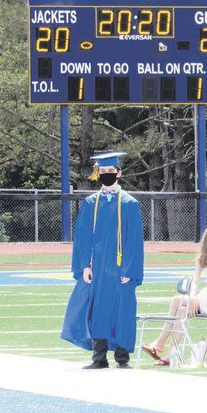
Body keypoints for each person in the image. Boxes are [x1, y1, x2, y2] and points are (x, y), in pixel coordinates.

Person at [61, 152, 144, 369]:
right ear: (99, 174)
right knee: (97, 310)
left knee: (122, 311)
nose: (107, 175)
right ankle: (99, 358)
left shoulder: (129, 204)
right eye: (103, 172)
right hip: (98, 267)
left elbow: (134, 241)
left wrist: (130, 269)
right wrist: (84, 265)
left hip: (120, 269)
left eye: (111, 172)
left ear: (119, 173)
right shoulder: (91, 203)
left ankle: (122, 358)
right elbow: (82, 238)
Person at [141, 222, 207, 365]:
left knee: (177, 300)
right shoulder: (203, 258)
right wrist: (193, 298)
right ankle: (171, 353)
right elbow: (194, 281)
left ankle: (159, 343)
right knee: (181, 311)